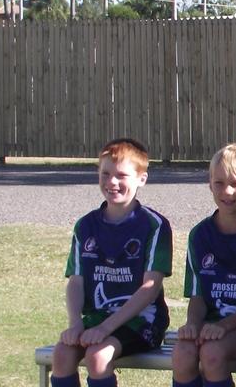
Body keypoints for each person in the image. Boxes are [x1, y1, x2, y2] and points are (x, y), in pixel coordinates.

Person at [50, 138, 173, 387]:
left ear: (142, 179)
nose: (112, 182)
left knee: (97, 358)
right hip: (97, 318)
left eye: (121, 175)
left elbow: (149, 290)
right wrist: (75, 324)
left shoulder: (154, 225)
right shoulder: (86, 226)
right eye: (105, 174)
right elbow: (76, 280)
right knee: (62, 354)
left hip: (142, 320)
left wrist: (105, 329)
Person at [173, 144, 236, 387]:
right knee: (182, 353)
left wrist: (223, 326)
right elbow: (197, 296)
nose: (227, 191)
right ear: (209, 184)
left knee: (212, 353)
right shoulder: (199, 234)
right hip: (212, 325)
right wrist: (193, 325)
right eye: (219, 183)